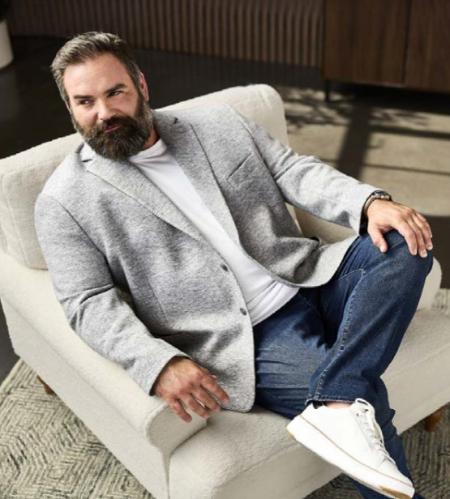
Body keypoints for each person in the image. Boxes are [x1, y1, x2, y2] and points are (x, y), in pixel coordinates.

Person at [34, 31, 433, 499]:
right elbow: (87, 302)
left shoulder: (218, 123)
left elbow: (293, 171)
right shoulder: (63, 201)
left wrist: (368, 203)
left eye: (115, 92)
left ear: (141, 85)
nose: (104, 112)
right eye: (85, 102)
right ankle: (348, 397)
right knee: (368, 402)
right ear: (70, 107)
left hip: (309, 273)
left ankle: (337, 395)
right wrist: (157, 362)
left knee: (407, 239)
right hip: (248, 337)